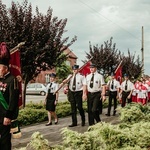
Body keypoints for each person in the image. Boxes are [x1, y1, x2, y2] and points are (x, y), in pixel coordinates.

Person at [0, 46, 19, 150]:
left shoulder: (13, 80)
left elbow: (13, 100)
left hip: (5, 116)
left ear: (5, 68)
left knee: (5, 141)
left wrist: (8, 116)